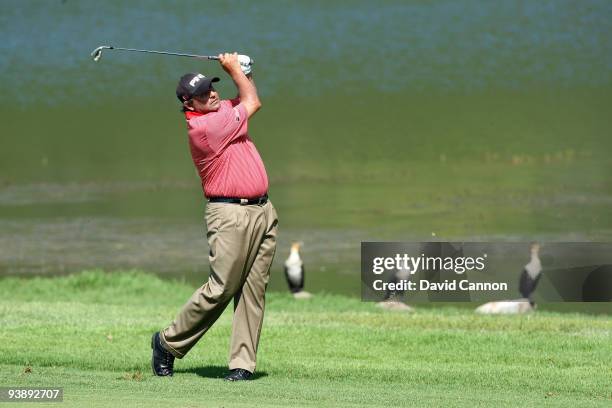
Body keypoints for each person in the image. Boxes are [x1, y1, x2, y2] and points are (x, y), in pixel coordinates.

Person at [151, 52, 278, 382]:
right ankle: (167, 343)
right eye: (204, 92)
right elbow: (252, 103)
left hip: (262, 211)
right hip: (229, 215)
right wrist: (235, 68)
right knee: (221, 288)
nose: (213, 93)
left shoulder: (220, 110)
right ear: (189, 102)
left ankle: (241, 366)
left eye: (212, 87)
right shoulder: (204, 128)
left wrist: (246, 70)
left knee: (253, 291)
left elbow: (245, 94)